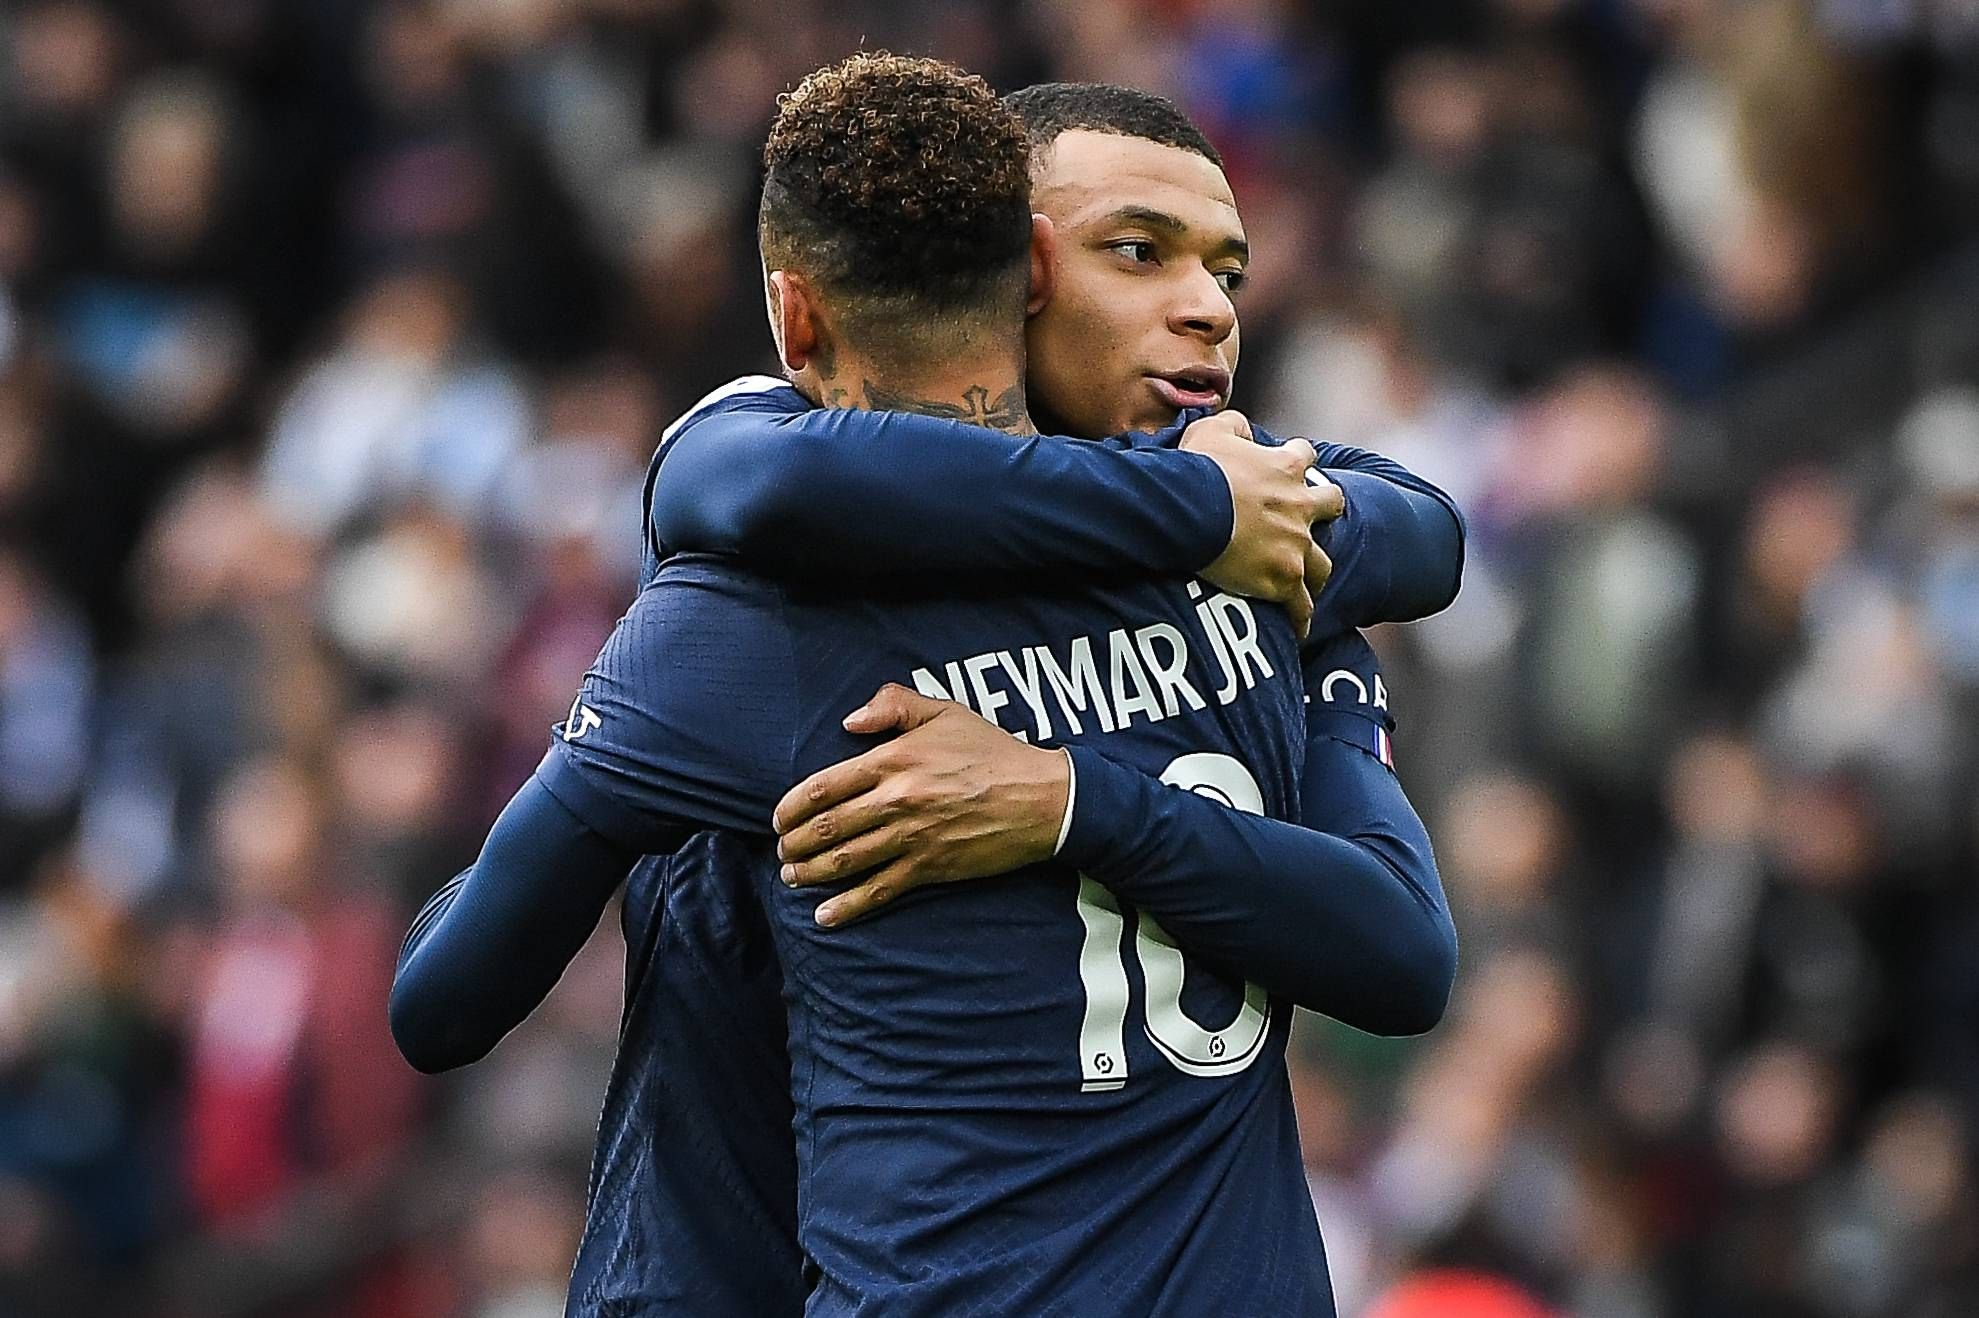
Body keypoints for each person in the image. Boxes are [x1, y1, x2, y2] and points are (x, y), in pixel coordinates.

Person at [392, 59, 1456, 1317]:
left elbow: (443, 1000)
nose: (1208, 311)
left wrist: (1067, 800)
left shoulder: (746, 615)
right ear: (1031, 275)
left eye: (1226, 272)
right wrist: (1200, 511)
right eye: (1139, 252)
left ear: (798, 318)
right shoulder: (1258, 555)